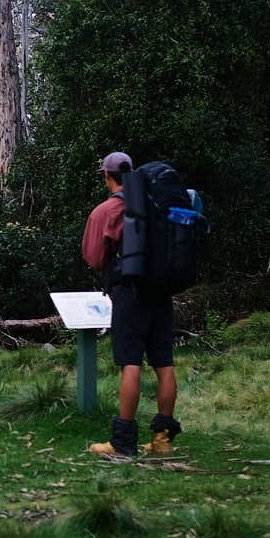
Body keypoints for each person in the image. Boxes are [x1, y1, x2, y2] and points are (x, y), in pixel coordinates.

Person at [80, 150, 182, 456]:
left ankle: (122, 442)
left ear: (107, 176)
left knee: (131, 364)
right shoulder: (157, 204)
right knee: (164, 364)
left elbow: (94, 258)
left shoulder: (107, 211)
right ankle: (162, 441)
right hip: (161, 293)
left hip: (129, 295)